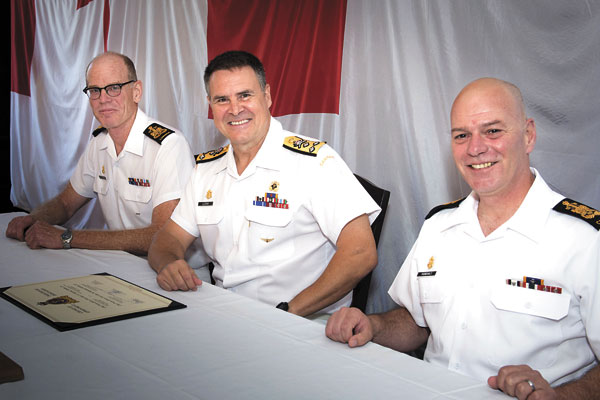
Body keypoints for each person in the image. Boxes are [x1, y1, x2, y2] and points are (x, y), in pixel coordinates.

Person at [326, 78, 599, 399]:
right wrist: (372, 326)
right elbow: (417, 324)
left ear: (528, 136)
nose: (475, 147)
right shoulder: (438, 225)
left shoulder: (586, 239)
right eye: (461, 135)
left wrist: (560, 397)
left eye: (493, 130)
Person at [148, 50, 381, 318]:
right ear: (210, 105)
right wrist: (169, 263)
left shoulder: (314, 162)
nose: (235, 109)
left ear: (267, 96)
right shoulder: (205, 170)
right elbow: (167, 239)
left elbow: (361, 252)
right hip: (224, 315)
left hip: (302, 323)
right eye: (222, 99)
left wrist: (286, 312)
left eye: (245, 95)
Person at [6, 52, 195, 256]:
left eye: (114, 88)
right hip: (122, 264)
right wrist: (33, 219)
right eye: (94, 90)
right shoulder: (99, 144)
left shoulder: (168, 145)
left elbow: (163, 235)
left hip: (175, 272)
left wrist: (68, 238)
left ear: (136, 91)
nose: (103, 99)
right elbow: (66, 203)